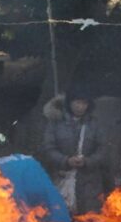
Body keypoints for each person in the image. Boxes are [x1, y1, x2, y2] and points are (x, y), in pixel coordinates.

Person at [41, 84, 110, 214]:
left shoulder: (94, 123)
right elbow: (48, 148)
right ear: (70, 102)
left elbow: (103, 148)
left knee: (90, 221)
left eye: (84, 103)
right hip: (62, 178)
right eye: (77, 102)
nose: (80, 107)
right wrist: (65, 160)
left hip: (90, 183)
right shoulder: (55, 123)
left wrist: (88, 161)